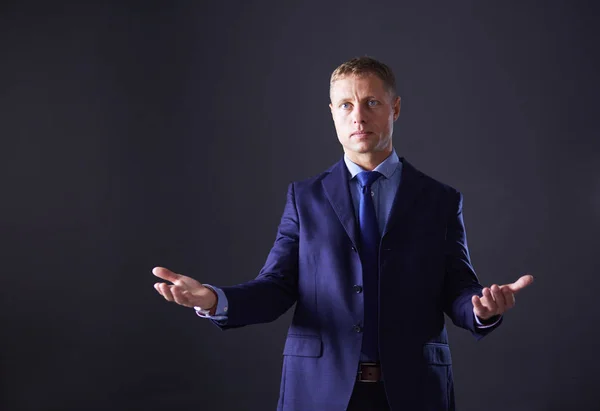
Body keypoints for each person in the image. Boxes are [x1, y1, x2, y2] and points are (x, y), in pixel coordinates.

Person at [152, 56, 533, 411]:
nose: (358, 117)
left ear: (395, 108)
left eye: (372, 103)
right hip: (317, 390)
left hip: (416, 391)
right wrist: (212, 299)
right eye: (346, 105)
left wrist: (482, 309)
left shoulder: (440, 199)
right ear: (333, 114)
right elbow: (275, 287)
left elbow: (458, 289)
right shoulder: (304, 198)